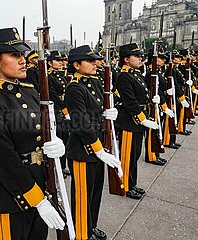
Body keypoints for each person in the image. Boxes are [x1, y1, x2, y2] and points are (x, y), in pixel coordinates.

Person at [0, 27, 65, 239]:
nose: (23, 60)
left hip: (41, 180)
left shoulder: (29, 90)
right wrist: (37, 199)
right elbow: (3, 159)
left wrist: (55, 141)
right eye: (14, 55)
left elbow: (43, 128)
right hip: (12, 191)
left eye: (22, 54)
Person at [65, 45, 122, 240]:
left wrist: (110, 112)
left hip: (98, 146)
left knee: (95, 191)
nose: (95, 64)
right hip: (83, 149)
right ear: (77, 65)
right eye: (90, 61)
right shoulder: (74, 88)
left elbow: (101, 107)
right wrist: (98, 149)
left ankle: (90, 225)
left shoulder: (94, 82)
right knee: (83, 196)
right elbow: (80, 122)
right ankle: (81, 233)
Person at [115, 43, 159, 200]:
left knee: (135, 155)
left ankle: (132, 183)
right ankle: (125, 186)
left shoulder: (135, 74)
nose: (140, 58)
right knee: (128, 156)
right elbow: (130, 102)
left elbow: (141, 96)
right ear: (126, 59)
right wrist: (143, 119)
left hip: (138, 120)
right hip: (130, 121)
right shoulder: (124, 76)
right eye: (136, 56)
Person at [47, 50, 70, 177]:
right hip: (56, 111)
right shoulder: (48, 76)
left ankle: (62, 165)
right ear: (50, 63)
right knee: (59, 138)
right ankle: (57, 166)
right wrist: (65, 110)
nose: (61, 63)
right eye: (58, 60)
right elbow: (54, 96)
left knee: (65, 138)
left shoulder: (59, 75)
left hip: (63, 109)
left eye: (61, 60)